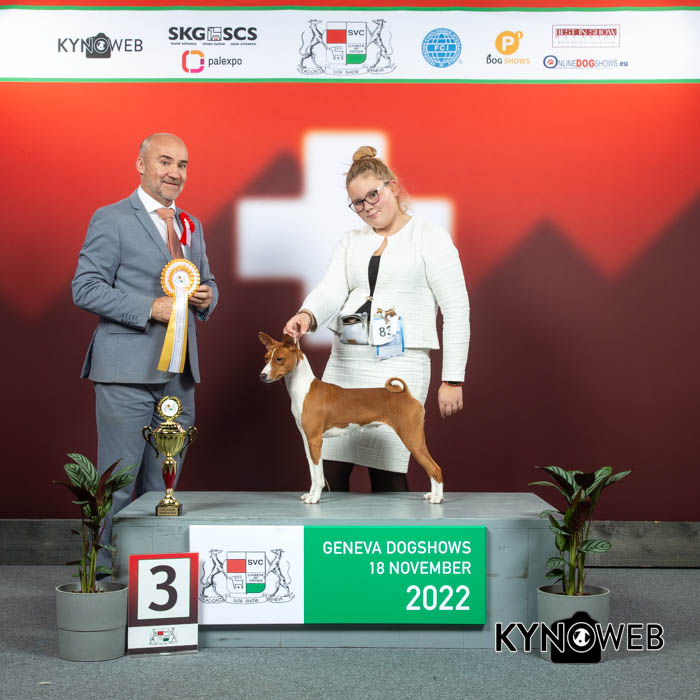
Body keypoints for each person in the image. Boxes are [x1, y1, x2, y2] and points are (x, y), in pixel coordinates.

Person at [283, 146, 469, 492]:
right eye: (357, 203)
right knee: (330, 469)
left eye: (373, 195)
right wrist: (307, 314)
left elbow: (457, 309)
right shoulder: (350, 241)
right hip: (347, 363)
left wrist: (453, 379)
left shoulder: (430, 237)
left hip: (401, 364)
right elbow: (331, 288)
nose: (367, 207)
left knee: (389, 472)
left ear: (392, 187)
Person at [72, 133, 218, 573]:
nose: (175, 172)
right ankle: (99, 579)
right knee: (117, 485)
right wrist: (149, 308)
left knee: (162, 488)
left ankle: (151, 576)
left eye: (183, 164)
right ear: (140, 164)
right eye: (165, 162)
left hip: (179, 376)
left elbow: (207, 281)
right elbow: (85, 287)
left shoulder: (190, 225)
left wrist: (208, 297)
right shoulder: (112, 218)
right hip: (125, 374)